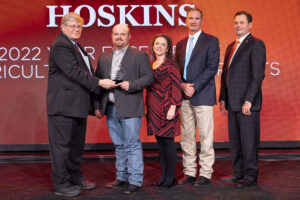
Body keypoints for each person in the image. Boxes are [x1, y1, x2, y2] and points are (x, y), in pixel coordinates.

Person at [47, 13, 116, 197]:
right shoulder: (61, 45)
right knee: (62, 148)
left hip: (77, 107)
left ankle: (75, 178)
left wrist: (95, 105)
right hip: (63, 107)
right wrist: (100, 83)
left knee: (76, 147)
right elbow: (73, 72)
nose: (76, 29)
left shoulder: (76, 46)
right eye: (71, 25)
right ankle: (61, 184)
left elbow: (85, 74)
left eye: (79, 26)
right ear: (62, 27)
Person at [95, 24, 153, 194]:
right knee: (119, 145)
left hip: (130, 106)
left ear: (129, 37)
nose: (119, 37)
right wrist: (98, 106)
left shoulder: (139, 55)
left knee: (132, 145)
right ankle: (121, 178)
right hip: (111, 107)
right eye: (116, 34)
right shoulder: (104, 57)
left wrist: (132, 85)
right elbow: (98, 81)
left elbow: (149, 78)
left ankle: (135, 180)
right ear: (111, 36)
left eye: (122, 34)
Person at [219, 11, 266, 188]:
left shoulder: (256, 44)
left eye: (241, 22)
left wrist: (249, 100)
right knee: (236, 142)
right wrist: (223, 98)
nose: (238, 25)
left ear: (250, 25)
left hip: (247, 104)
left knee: (249, 142)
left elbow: (257, 76)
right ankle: (238, 173)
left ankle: (251, 177)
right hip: (232, 102)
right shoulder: (231, 46)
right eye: (236, 22)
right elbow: (226, 75)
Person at [175, 8, 220, 186]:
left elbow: (212, 67)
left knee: (206, 137)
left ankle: (206, 174)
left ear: (201, 21)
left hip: (202, 95)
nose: (193, 21)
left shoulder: (211, 40)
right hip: (184, 96)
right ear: (186, 21)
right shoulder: (180, 44)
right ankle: (189, 172)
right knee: (186, 137)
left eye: (197, 18)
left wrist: (194, 87)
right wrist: (182, 85)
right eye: (190, 18)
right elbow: (177, 71)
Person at [146, 34, 182, 188]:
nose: (159, 46)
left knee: (168, 142)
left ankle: (170, 177)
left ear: (168, 48)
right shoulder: (152, 64)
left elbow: (176, 86)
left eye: (163, 44)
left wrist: (173, 107)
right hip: (154, 107)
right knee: (160, 143)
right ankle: (164, 176)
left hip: (167, 107)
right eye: (156, 44)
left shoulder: (171, 65)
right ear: (153, 46)